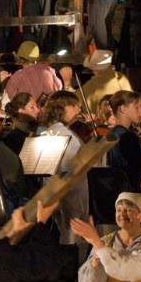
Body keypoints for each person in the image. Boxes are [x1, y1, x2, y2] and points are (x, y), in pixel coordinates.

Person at [41, 91, 89, 256]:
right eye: (74, 106)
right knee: (73, 238)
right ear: (60, 108)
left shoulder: (46, 132)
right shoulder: (67, 136)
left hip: (53, 193)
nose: (79, 109)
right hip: (71, 193)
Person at [107, 90, 141, 195]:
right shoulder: (128, 136)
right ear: (123, 109)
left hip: (117, 190)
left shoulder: (111, 133)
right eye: (137, 107)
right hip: (134, 192)